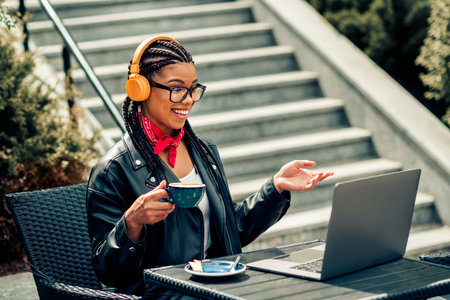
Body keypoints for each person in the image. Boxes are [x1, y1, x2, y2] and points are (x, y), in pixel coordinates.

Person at [86, 36, 334, 296]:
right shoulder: (112, 171)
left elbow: (231, 230)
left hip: (218, 287)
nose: (189, 100)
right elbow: (108, 272)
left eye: (193, 89)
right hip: (165, 293)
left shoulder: (204, 152)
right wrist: (132, 222)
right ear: (141, 89)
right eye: (177, 88)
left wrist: (275, 189)